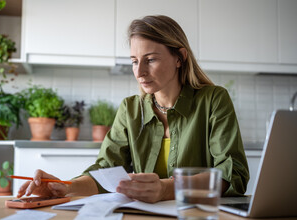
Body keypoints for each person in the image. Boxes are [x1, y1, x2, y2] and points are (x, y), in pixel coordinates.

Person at [18, 15, 249, 203]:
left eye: (150, 60)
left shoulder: (214, 99)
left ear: (180, 57)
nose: (139, 73)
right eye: (134, 61)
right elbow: (107, 170)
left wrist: (165, 189)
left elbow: (233, 175)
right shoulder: (130, 109)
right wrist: (64, 187)